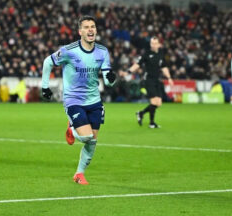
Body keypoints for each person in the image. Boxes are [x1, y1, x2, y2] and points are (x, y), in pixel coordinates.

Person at [41, 15, 116, 185]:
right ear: (80, 31)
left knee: (92, 141)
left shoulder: (102, 51)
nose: (91, 30)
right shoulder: (69, 50)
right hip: (74, 100)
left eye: (93, 27)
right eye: (87, 27)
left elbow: (108, 77)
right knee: (85, 137)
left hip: (94, 101)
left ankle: (79, 174)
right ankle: (71, 128)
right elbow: (48, 62)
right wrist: (45, 87)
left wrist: (111, 78)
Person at [120, 36, 173, 128]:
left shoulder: (161, 54)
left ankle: (141, 113)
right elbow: (137, 65)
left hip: (157, 80)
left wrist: (169, 77)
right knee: (154, 102)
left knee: (159, 103)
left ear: (159, 44)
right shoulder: (146, 54)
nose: (153, 45)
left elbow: (164, 67)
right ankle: (151, 123)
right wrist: (128, 72)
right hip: (149, 80)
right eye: (152, 43)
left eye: (155, 43)